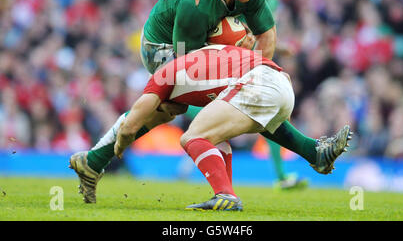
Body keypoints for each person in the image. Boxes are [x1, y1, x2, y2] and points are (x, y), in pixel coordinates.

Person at [68, 0, 350, 204]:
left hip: (204, 45)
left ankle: (93, 163)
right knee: (169, 106)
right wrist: (238, 71)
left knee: (245, 100)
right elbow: (183, 64)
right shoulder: (196, 3)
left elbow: (267, 33)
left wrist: (255, 74)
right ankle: (97, 161)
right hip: (163, 46)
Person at [70, 33, 352, 209]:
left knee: (192, 137)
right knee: (216, 133)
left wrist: (119, 145)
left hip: (259, 84)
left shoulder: (166, 74)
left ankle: (225, 197)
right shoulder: (202, 57)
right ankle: (315, 152)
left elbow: (133, 122)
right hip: (279, 81)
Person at [260, 0, 309, 190]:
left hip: (259, 62)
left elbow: (264, 34)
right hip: (241, 62)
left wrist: (280, 48)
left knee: (274, 117)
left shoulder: (274, 2)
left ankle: (281, 176)